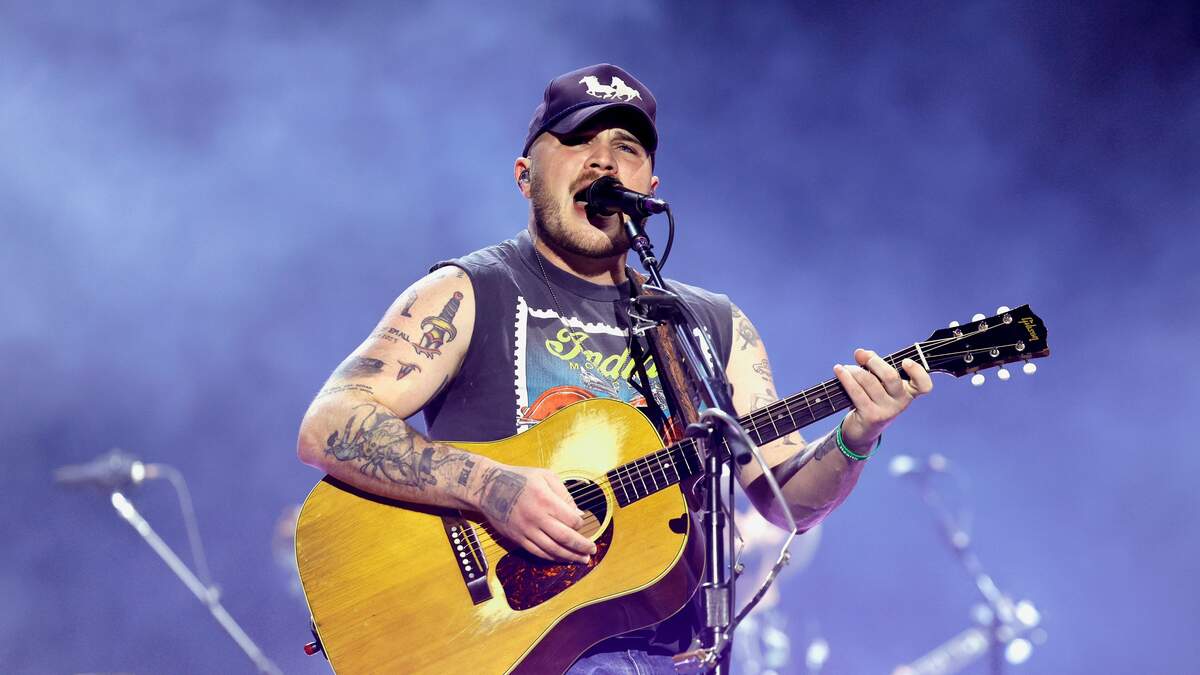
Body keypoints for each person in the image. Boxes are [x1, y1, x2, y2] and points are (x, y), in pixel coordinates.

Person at [296, 63, 933, 674]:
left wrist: (857, 437)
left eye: (626, 147)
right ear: (525, 175)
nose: (603, 161)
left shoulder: (709, 324)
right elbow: (330, 423)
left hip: (676, 653)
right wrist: (491, 487)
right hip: (511, 647)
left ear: (649, 187)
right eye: (578, 139)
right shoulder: (468, 291)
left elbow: (785, 498)